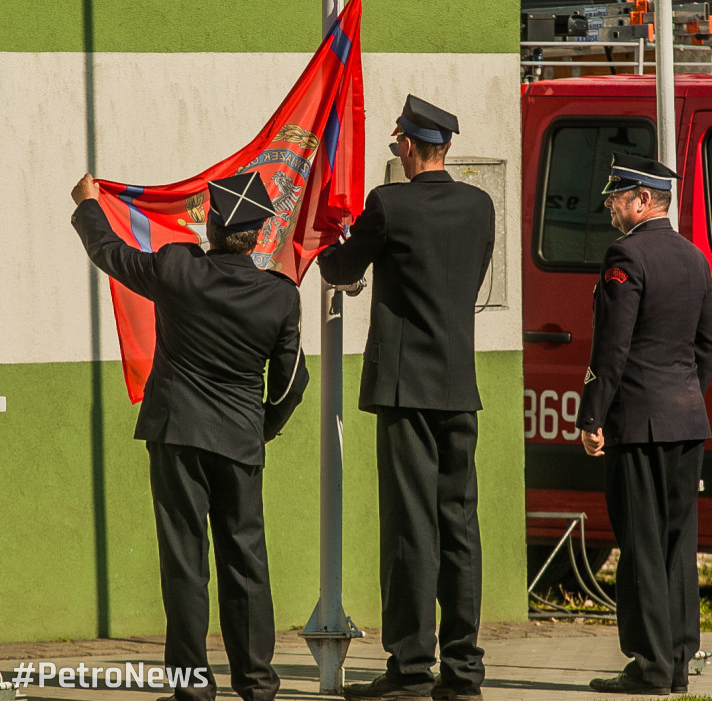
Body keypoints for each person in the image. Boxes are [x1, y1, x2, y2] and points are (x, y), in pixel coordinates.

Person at [71, 171, 309, 701]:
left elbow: (110, 253)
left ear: (213, 228)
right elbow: (292, 383)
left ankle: (192, 689)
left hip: (177, 434)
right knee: (246, 562)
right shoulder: (279, 295)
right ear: (260, 233)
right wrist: (261, 427)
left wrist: (90, 205)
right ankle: (256, 683)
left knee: (185, 562)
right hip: (241, 441)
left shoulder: (177, 267)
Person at [317, 95, 495, 701]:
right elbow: (467, 281)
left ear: (412, 146)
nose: (395, 149)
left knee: (410, 530)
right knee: (460, 527)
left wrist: (332, 247)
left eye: (397, 142)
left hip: (405, 389)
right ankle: (465, 668)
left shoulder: (388, 204)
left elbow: (340, 265)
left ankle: (412, 668)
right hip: (458, 387)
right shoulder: (480, 205)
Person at [576, 152, 712, 696]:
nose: (610, 204)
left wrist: (592, 416)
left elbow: (611, 349)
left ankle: (651, 666)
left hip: (638, 423)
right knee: (677, 546)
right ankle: (677, 661)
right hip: (686, 420)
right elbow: (706, 344)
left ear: (643, 201)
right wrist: (683, 398)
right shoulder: (692, 256)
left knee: (641, 545)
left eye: (618, 195)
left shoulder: (626, 256)